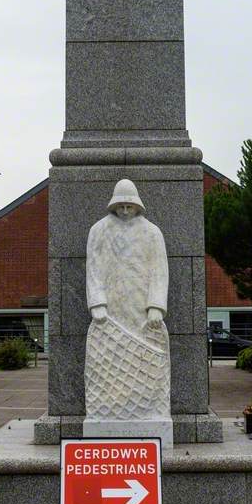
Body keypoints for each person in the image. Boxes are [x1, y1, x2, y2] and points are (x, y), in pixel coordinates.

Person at [84, 179, 171, 420]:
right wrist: (97, 302)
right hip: (110, 309)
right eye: (120, 206)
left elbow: (159, 270)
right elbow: (93, 268)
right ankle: (108, 409)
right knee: (108, 362)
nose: (124, 211)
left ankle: (147, 409)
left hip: (141, 308)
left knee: (145, 362)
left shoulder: (152, 233)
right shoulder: (98, 230)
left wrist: (156, 306)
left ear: (137, 206)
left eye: (129, 206)